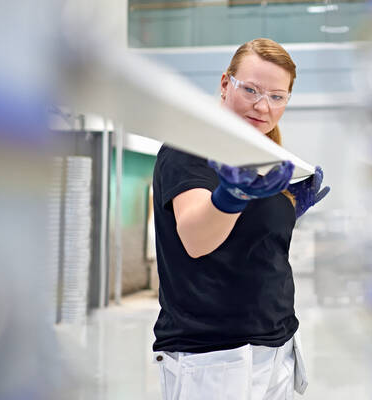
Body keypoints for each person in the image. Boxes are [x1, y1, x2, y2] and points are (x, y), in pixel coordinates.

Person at [152, 38, 329, 400]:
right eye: (250, 90)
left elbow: (245, 240)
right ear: (224, 84)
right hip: (215, 356)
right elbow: (196, 240)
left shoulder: (262, 156)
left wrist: (287, 208)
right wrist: (231, 197)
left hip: (277, 343)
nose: (263, 106)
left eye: (277, 96)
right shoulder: (189, 149)